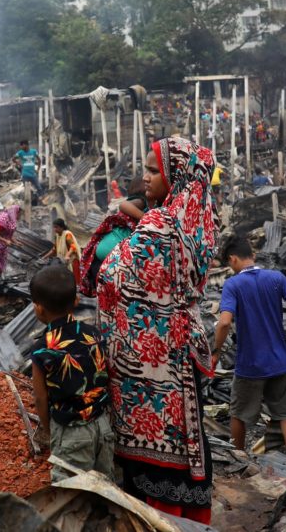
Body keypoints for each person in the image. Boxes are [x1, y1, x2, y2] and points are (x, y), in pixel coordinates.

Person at [97, 137, 219, 524]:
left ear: (175, 175)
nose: (144, 177)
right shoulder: (199, 219)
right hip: (184, 353)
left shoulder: (159, 225)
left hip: (156, 368)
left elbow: (111, 278)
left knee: (160, 454)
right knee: (189, 440)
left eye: (153, 171)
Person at [212, 237, 286, 461]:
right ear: (254, 255)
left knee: (238, 415)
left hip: (250, 365)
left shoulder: (233, 285)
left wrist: (216, 351)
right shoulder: (276, 278)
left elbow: (225, 322)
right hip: (280, 362)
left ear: (233, 259)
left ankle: (240, 457)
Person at [30, 265, 114, 482]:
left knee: (72, 493)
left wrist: (49, 430)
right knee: (105, 490)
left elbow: (40, 398)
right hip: (102, 425)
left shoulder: (43, 350)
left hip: (71, 431)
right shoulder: (94, 334)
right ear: (76, 301)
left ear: (39, 309)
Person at [43, 218, 81, 283]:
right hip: (62, 262)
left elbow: (73, 247)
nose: (54, 229)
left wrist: (67, 256)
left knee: (74, 283)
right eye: (54, 227)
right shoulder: (57, 236)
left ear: (62, 227)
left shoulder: (67, 234)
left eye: (56, 227)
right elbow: (54, 250)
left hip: (72, 262)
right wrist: (44, 257)